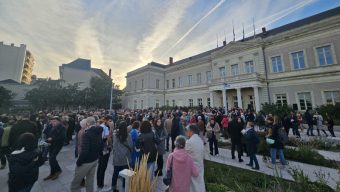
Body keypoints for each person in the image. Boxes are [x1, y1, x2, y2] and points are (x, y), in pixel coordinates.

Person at [70, 117, 103, 192]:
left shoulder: (87, 134)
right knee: (90, 181)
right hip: (95, 160)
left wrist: (79, 162)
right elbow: (101, 145)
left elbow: (85, 151)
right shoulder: (98, 131)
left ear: (87, 123)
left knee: (75, 184)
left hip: (86, 162)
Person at [110, 122, 133, 192]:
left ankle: (113, 187)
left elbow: (114, 146)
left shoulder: (115, 136)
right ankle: (125, 185)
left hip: (117, 158)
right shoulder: (128, 135)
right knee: (126, 173)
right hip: (126, 158)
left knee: (115, 173)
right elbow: (131, 146)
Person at [44, 116, 66, 181]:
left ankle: (58, 170)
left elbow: (63, 137)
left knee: (52, 157)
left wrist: (52, 138)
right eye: (52, 121)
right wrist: (48, 140)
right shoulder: (50, 125)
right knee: (51, 159)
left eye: (55, 121)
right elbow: (45, 132)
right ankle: (52, 173)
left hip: (58, 145)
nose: (53, 122)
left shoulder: (62, 127)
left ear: (59, 121)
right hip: (51, 144)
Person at [185, 125, 206, 192]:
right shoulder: (199, 140)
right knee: (200, 183)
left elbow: (183, 153)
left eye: (187, 131)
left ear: (191, 131)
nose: (186, 133)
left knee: (194, 186)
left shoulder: (189, 142)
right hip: (200, 165)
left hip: (193, 167)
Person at [97, 115, 114, 191]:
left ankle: (99, 183)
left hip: (100, 148)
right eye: (110, 121)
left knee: (101, 166)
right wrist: (111, 127)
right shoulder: (105, 127)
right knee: (103, 167)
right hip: (104, 149)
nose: (111, 122)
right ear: (106, 120)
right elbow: (109, 139)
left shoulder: (101, 126)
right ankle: (101, 184)